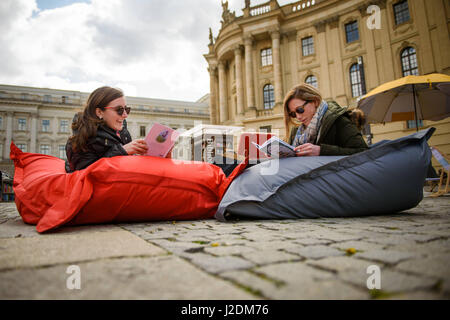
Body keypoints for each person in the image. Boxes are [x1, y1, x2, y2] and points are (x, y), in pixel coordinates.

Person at [65, 86, 149, 173]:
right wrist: (122, 151)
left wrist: (140, 154)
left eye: (126, 109)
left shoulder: (121, 130)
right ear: (99, 112)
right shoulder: (82, 137)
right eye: (119, 110)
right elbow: (87, 173)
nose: (125, 115)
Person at [284, 83, 368, 156]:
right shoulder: (295, 132)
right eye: (293, 114)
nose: (298, 117)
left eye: (300, 110)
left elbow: (363, 152)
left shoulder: (338, 121)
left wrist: (321, 151)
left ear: (315, 101)